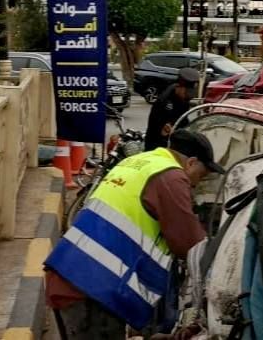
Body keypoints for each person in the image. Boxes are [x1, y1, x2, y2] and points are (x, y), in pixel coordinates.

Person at [44, 129, 224, 339]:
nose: (195, 185)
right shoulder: (171, 176)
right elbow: (189, 244)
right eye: (200, 177)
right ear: (191, 163)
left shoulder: (137, 162)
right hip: (95, 288)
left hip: (72, 274)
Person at [145, 67, 200, 150]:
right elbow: (164, 131)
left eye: (191, 93)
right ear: (179, 87)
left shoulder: (183, 99)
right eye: (187, 93)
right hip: (158, 145)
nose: (189, 96)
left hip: (174, 140)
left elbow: (183, 120)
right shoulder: (164, 102)